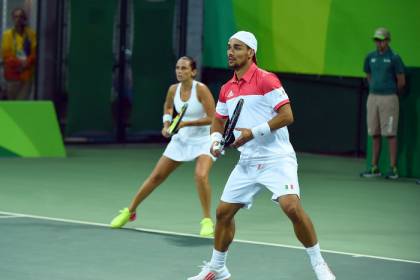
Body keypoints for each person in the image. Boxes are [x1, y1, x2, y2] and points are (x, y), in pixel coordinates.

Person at [188, 31, 335, 280]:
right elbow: (219, 121)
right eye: (228, 47)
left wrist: (252, 133)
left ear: (251, 52)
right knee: (223, 213)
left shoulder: (267, 80)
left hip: (277, 157)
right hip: (248, 160)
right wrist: (215, 141)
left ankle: (319, 263)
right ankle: (217, 267)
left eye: (237, 47)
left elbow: (287, 116)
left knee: (291, 207)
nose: (230, 52)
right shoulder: (226, 89)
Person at [110, 56, 216, 237]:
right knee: (156, 176)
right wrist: (166, 125)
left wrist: (184, 124)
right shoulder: (173, 90)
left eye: (184, 68)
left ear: (193, 72)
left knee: (201, 175)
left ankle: (207, 220)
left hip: (204, 140)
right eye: (177, 68)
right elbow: (168, 108)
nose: (179, 71)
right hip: (181, 140)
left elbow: (213, 117)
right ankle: (130, 211)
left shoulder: (201, 90)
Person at [360, 27, 405, 180]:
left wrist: (390, 91)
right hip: (373, 97)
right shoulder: (370, 57)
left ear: (387, 40)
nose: (379, 43)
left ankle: (393, 168)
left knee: (390, 134)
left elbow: (401, 81)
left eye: (382, 40)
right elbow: (368, 75)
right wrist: (375, 87)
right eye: (377, 40)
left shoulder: (395, 58)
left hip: (389, 98)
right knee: (375, 133)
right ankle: (374, 167)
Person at [1, 8, 37, 100]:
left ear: (24, 19)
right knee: (13, 103)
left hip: (27, 74)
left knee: (22, 102)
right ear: (13, 18)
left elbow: (35, 52)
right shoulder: (7, 35)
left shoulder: (31, 34)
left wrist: (27, 62)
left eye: (21, 16)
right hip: (13, 75)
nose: (18, 19)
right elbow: (5, 55)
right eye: (16, 16)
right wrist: (20, 64)